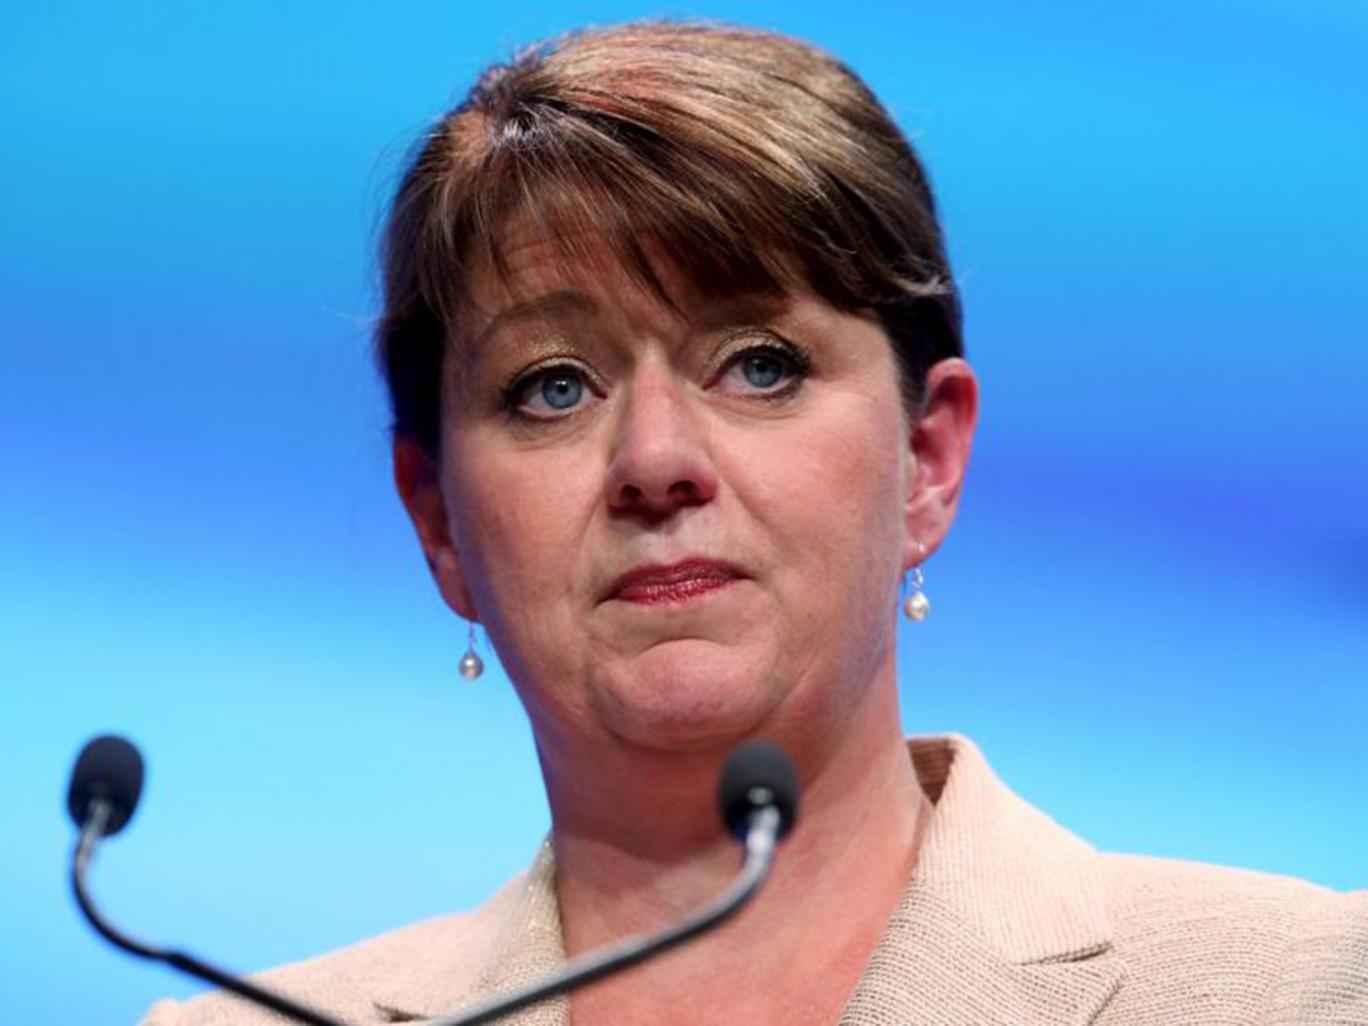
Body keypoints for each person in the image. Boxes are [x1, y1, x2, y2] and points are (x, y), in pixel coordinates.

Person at [142, 20, 1365, 1026]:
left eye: (760, 364)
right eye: (553, 387)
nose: (655, 464)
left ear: (927, 460)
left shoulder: (1303, 991)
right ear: (440, 523)